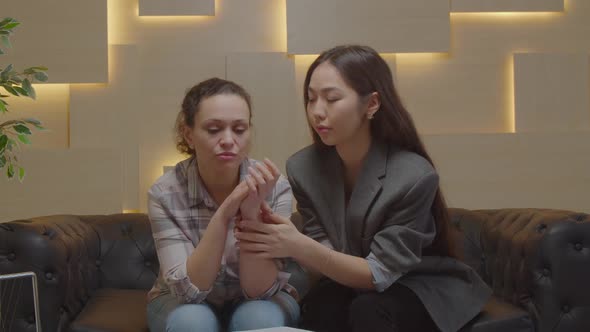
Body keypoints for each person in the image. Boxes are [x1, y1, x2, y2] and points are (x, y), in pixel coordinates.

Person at [234, 45, 491, 332]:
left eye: (331, 99)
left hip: (418, 283)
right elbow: (323, 252)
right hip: (347, 280)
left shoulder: (414, 175)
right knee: (323, 303)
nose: (317, 111)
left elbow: (379, 273)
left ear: (371, 104)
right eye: (311, 99)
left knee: (369, 309)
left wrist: (298, 245)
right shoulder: (303, 168)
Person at [146, 78, 300, 332]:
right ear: (189, 134)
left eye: (239, 129)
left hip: (258, 298)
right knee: (192, 323)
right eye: (214, 129)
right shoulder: (165, 193)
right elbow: (188, 292)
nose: (228, 140)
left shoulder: (274, 187)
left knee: (260, 319)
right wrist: (225, 212)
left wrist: (251, 214)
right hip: (179, 301)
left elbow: (259, 290)